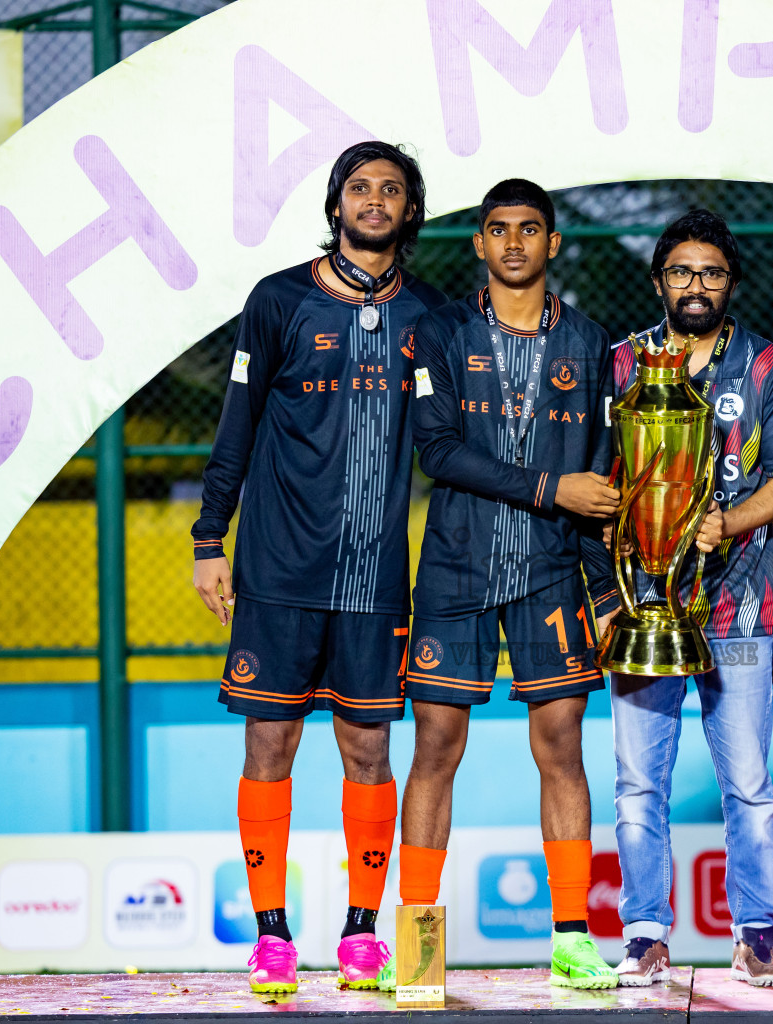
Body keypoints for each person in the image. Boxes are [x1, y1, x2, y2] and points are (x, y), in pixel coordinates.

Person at [190, 141, 447, 994]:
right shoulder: (279, 300)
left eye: (392, 190)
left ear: (410, 211)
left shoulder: (431, 317)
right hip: (276, 567)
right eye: (360, 188)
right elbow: (236, 424)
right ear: (337, 205)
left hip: (376, 577)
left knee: (367, 746)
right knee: (271, 739)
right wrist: (207, 540)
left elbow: (453, 448)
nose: (375, 201)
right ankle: (271, 937)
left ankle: (364, 934)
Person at [398, 178, 622, 989]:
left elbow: (599, 480)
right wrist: (548, 489)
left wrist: (602, 592)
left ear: (554, 244)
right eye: (499, 230)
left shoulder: (592, 343)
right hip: (457, 565)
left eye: (531, 230)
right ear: (480, 245)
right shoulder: (441, 331)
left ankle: (572, 940)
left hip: (552, 571)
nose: (516, 243)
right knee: (435, 747)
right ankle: (418, 948)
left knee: (562, 746)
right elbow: (440, 451)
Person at [607, 210, 773, 987]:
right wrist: (613, 582)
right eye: (683, 273)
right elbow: (602, 480)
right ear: (659, 281)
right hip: (643, 611)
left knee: (750, 786)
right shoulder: (622, 364)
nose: (697, 287)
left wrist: (725, 524)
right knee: (636, 784)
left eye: (713, 273)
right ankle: (646, 933)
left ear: (732, 282)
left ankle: (756, 932)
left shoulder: (765, 366)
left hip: (740, 609)